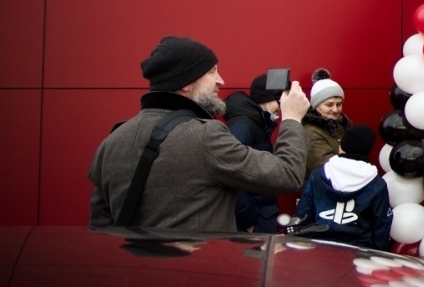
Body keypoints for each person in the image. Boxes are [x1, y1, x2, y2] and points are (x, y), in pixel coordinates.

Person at [89, 37, 310, 232]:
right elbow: (287, 175)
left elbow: (100, 226)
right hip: (196, 274)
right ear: (186, 83)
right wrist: (291, 119)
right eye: (212, 71)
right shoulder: (205, 136)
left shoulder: (113, 140)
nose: (220, 80)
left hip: (134, 275)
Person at [294, 124, 391, 250]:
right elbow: (381, 224)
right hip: (359, 252)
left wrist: (297, 242)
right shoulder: (376, 183)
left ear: (341, 146)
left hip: (318, 247)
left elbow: (303, 214)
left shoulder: (319, 174)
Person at [227, 74, 283, 233]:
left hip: (263, 214)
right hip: (256, 219)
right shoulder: (243, 127)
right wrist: (249, 221)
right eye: (278, 100)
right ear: (265, 99)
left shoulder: (258, 123)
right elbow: (233, 175)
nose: (281, 106)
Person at [302, 69, 350, 174]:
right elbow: (326, 169)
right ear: (316, 105)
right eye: (329, 104)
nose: (335, 109)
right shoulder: (310, 132)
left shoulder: (341, 126)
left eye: (339, 104)